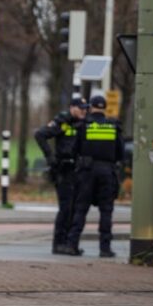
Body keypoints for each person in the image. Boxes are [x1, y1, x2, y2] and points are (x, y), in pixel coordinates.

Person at [58, 95, 124, 258]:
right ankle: (105, 248)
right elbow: (121, 153)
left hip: (87, 172)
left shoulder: (83, 126)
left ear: (91, 107)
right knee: (106, 211)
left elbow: (74, 150)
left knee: (80, 209)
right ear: (104, 108)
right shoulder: (113, 127)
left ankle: (72, 245)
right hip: (108, 172)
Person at [34, 97, 87, 253]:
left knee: (74, 208)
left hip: (77, 169)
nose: (84, 110)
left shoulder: (83, 123)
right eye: (81, 108)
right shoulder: (62, 121)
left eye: (85, 108)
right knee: (65, 207)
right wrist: (50, 157)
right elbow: (40, 135)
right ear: (72, 108)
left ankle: (69, 244)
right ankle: (58, 243)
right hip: (63, 169)